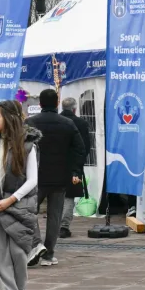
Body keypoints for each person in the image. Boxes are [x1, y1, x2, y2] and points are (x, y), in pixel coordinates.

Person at [0, 100, 41, 290]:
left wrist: (12, 199)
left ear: (9, 118)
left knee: (19, 254)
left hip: (19, 208)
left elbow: (32, 180)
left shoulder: (28, 144)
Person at [25, 89, 86, 267]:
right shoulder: (67, 123)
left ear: (41, 104)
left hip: (35, 177)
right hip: (60, 177)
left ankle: (36, 244)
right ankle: (49, 254)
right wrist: (74, 170)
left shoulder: (30, 122)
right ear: (57, 102)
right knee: (55, 217)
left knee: (28, 211)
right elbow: (80, 149)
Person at [59, 97, 90, 239]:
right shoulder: (81, 123)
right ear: (74, 109)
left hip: (55, 164)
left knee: (56, 196)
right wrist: (79, 164)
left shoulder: (56, 120)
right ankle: (64, 226)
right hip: (73, 165)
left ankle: (56, 224)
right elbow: (85, 147)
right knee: (69, 197)